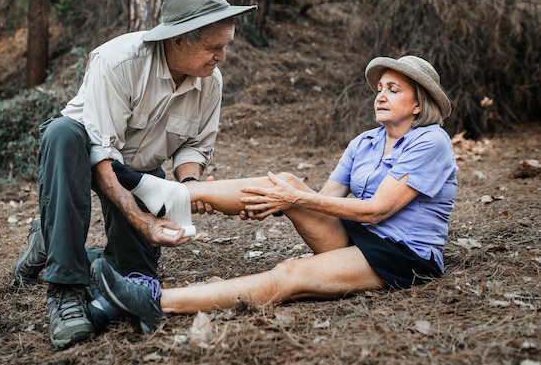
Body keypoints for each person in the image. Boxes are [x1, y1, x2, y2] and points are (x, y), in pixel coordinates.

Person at [89, 55, 459, 333]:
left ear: (417, 103)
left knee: (292, 273)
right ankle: (176, 197)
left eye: (393, 90)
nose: (381, 96)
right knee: (285, 180)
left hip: (401, 254)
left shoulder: (431, 141)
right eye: (379, 89)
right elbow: (323, 199)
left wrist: (293, 200)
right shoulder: (365, 142)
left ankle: (155, 301)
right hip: (353, 237)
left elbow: (378, 210)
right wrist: (279, 200)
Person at [12, 0, 256, 350]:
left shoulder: (211, 81)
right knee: (61, 134)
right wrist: (141, 219)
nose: (221, 56)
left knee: (135, 277)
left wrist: (187, 188)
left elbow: (193, 147)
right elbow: (102, 153)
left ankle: (50, 240)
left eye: (225, 45)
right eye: (213, 47)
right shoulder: (118, 61)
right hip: (87, 154)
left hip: (142, 172)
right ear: (178, 39)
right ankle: (65, 290)